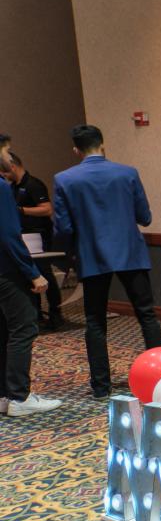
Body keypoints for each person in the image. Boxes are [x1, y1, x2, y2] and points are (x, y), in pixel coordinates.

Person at [53, 124, 161, 398]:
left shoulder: (65, 180)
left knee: (95, 321)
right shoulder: (127, 173)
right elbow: (145, 217)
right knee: (147, 314)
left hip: (92, 256)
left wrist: (68, 256)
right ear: (102, 144)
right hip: (130, 253)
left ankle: (101, 386)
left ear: (76, 150)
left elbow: (64, 229)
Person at [0, 147, 62, 416]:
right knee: (24, 327)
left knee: (3, 331)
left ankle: (4, 395)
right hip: (7, 271)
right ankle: (18, 396)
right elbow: (9, 236)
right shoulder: (1, 187)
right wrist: (32, 272)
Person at [0, 152, 63, 329]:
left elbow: (47, 210)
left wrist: (21, 210)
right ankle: (36, 312)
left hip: (38, 235)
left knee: (44, 273)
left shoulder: (34, 185)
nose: (3, 175)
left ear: (12, 166)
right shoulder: (10, 187)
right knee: (28, 277)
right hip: (20, 237)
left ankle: (55, 313)